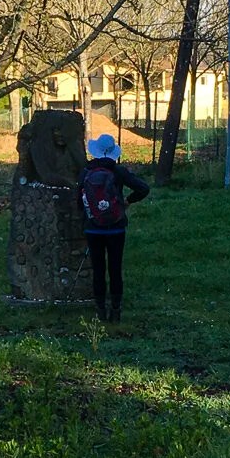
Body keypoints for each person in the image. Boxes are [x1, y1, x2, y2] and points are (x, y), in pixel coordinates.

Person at [78, 132, 149, 322]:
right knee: (115, 269)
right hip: (116, 228)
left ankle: (100, 309)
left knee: (98, 269)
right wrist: (127, 201)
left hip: (93, 228)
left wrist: (87, 216)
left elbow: (79, 199)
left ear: (95, 151)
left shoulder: (86, 172)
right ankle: (116, 310)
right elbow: (144, 188)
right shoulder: (119, 171)